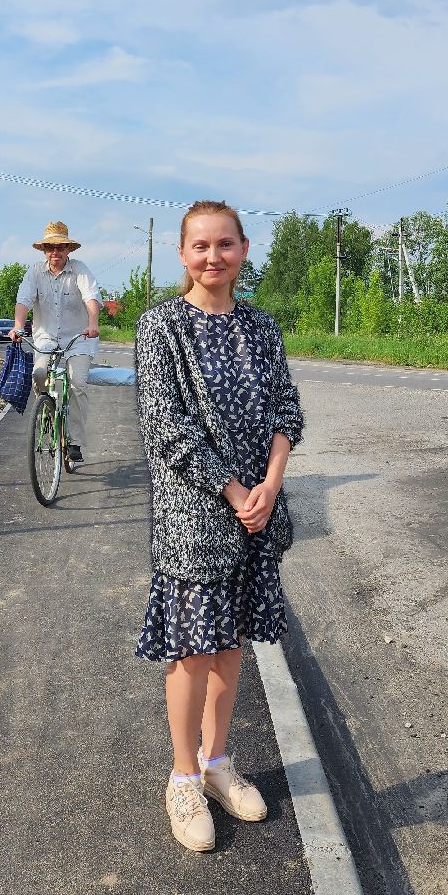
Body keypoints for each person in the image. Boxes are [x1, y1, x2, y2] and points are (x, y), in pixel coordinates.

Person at [133, 200, 304, 853]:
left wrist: (270, 483)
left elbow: (287, 406)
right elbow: (166, 425)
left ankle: (216, 763)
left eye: (225, 244)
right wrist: (235, 490)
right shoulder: (161, 327)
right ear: (183, 254)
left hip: (256, 512)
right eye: (201, 246)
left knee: (231, 645)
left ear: (243, 249)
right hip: (194, 518)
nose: (213, 257)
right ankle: (181, 777)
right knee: (192, 651)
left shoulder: (262, 327)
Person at [12, 220, 101, 466]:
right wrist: (18, 325)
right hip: (46, 337)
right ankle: (46, 410)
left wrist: (93, 322)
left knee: (77, 382)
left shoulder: (80, 270)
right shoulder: (35, 273)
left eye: (61, 247)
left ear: (68, 249)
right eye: (50, 248)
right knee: (39, 372)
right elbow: (24, 301)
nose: (55, 252)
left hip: (79, 338)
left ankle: (74, 441)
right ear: (44, 251)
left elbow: (91, 297)